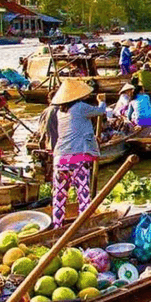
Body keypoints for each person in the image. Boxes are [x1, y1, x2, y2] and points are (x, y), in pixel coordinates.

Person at [51, 80, 106, 228]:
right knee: (83, 195)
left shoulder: (60, 112)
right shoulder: (80, 107)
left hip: (59, 159)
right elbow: (101, 111)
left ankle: (57, 226)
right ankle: (84, 225)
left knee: (59, 196)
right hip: (77, 159)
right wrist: (102, 101)